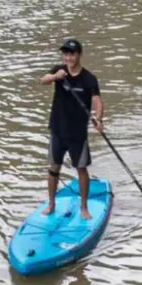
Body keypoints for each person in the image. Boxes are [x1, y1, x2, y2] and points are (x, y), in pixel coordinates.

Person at [39, 38, 104, 220]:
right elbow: (43, 80)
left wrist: (98, 118)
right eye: (66, 54)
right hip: (57, 129)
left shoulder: (89, 78)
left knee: (81, 169)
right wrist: (55, 77)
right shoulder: (58, 70)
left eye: (72, 54)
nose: (68, 57)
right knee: (54, 168)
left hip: (77, 133)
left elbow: (97, 100)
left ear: (79, 55)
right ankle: (51, 204)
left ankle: (84, 207)